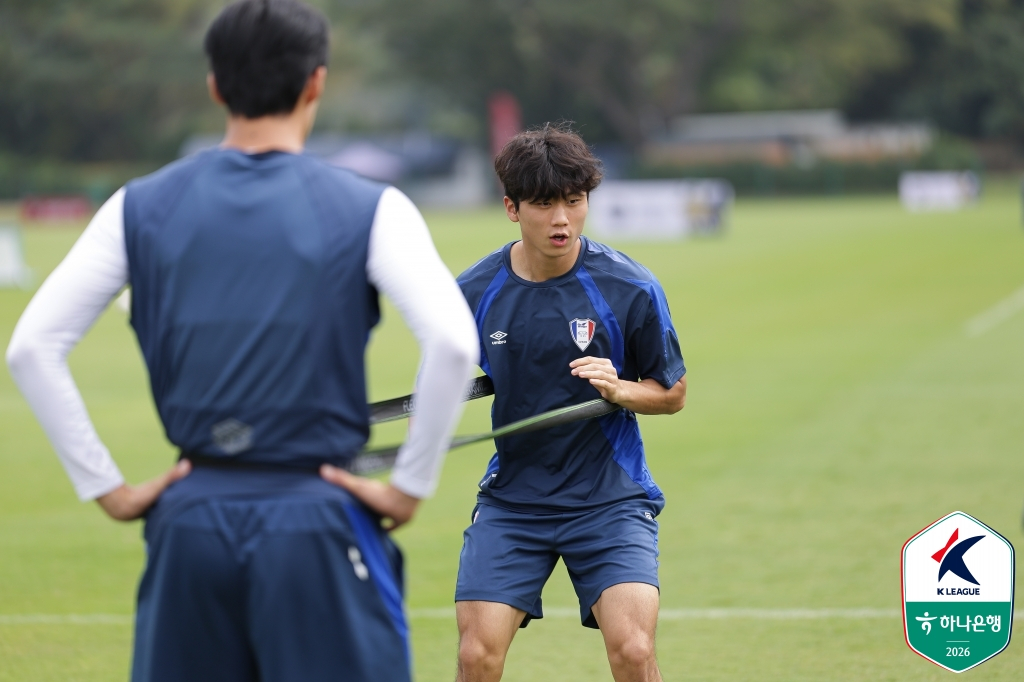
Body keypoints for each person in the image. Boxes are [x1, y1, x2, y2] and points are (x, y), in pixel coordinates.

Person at [5, 1, 478, 681]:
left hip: (191, 521)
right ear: (315, 83)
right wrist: (411, 486)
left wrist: (107, 488)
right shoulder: (373, 207)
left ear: (215, 87)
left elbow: (31, 348)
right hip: (314, 518)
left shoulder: (136, 206)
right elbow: (454, 345)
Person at [453, 124, 687, 682]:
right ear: (512, 207)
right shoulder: (472, 292)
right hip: (514, 502)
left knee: (632, 650)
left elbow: (672, 392)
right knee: (475, 656)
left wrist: (619, 390)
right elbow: (444, 379)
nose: (561, 219)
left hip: (609, 499)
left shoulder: (629, 287)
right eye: (542, 204)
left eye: (574, 201)